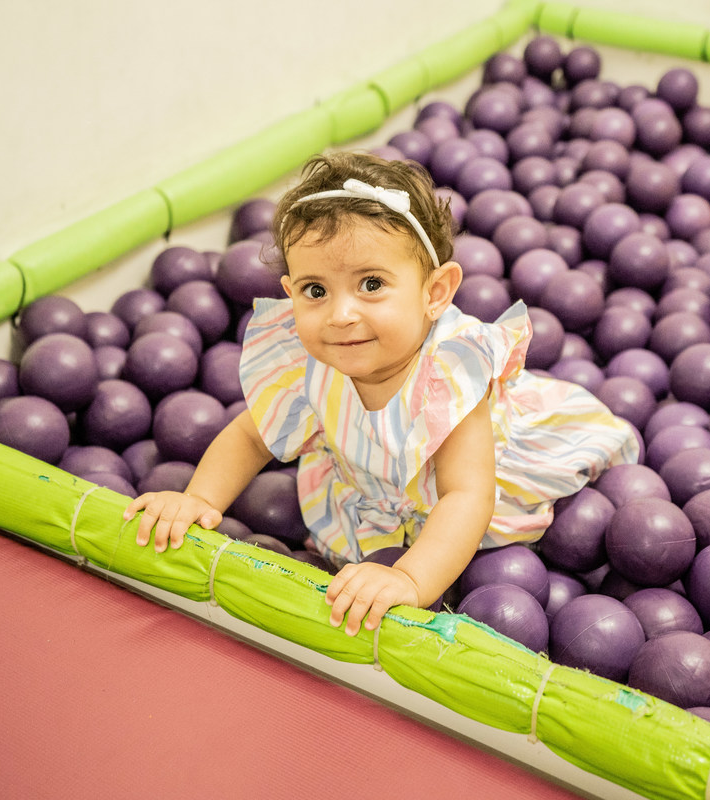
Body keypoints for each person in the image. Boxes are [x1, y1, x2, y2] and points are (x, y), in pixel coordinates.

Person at [124, 151, 639, 637]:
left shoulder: (449, 377)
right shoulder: (307, 363)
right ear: (290, 294)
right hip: (373, 495)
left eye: (371, 284)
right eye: (316, 291)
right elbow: (249, 436)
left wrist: (411, 579)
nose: (341, 314)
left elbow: (468, 495)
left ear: (435, 293)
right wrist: (198, 501)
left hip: (471, 496)